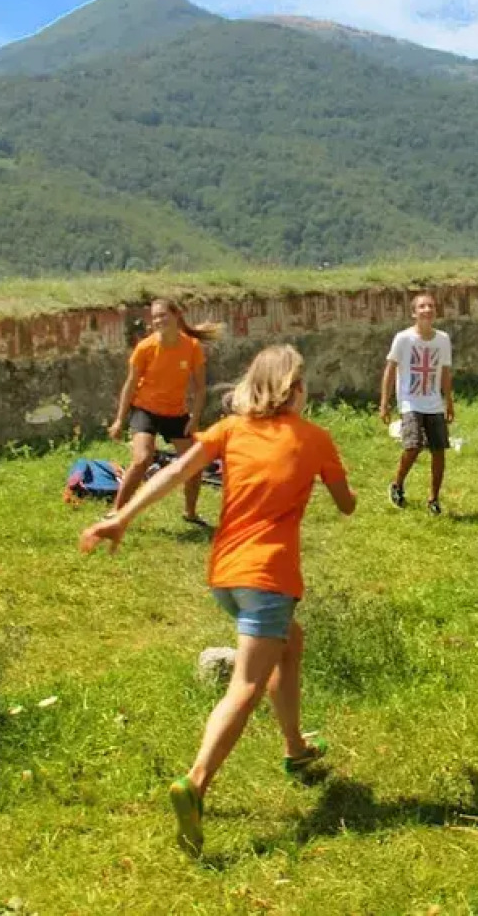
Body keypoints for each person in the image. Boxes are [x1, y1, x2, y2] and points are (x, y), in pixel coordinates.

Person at [80, 345, 356, 858]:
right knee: (246, 685)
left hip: (225, 576)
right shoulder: (315, 438)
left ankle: (295, 749)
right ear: (294, 388)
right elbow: (346, 505)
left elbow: (172, 473)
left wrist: (121, 517)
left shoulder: (230, 430)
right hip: (268, 577)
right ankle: (196, 782)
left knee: (289, 644)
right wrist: (334, 479)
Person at [108, 298, 219, 524]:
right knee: (142, 459)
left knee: (194, 463)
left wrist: (194, 419)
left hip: (175, 413)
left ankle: (190, 513)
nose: (158, 320)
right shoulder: (145, 348)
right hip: (145, 410)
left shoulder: (192, 348)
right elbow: (130, 385)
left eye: (163, 315)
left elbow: (200, 388)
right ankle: (116, 512)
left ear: (176, 315)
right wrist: (119, 420)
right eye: (155, 316)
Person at [379, 292, 454, 515]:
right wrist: (385, 402)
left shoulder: (443, 340)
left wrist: (448, 401)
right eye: (422, 306)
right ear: (414, 313)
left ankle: (434, 499)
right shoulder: (403, 339)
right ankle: (397, 483)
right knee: (412, 446)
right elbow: (390, 369)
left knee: (439, 450)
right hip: (410, 401)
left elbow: (445, 372)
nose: (427, 310)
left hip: (433, 402)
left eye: (430, 306)